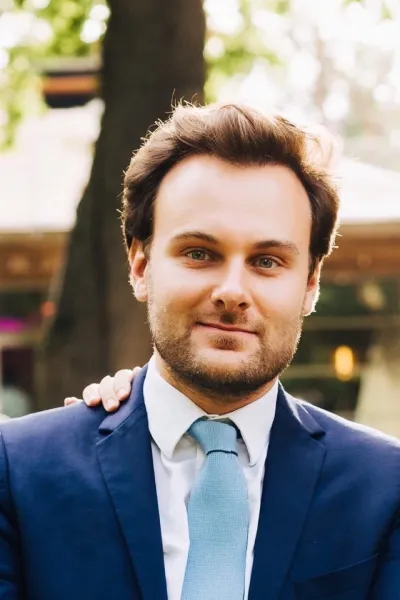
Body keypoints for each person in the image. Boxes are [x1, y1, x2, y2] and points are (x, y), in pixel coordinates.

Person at [0, 102, 399, 600]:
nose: (232, 291)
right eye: (199, 253)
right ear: (141, 266)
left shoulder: (385, 486)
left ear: (310, 284)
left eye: (267, 261)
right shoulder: (19, 470)